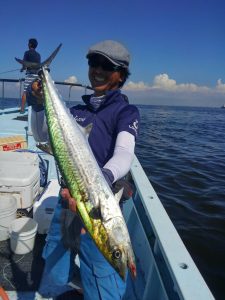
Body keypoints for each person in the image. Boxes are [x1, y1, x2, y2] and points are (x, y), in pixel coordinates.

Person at [29, 40, 140, 299]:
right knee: (55, 271)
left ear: (121, 74)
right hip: (67, 204)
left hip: (98, 203)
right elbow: (41, 134)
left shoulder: (125, 112)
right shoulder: (76, 111)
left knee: (104, 281)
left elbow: (124, 153)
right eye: (93, 63)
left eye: (106, 66)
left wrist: (101, 179)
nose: (97, 70)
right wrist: (37, 104)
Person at [20, 38, 41, 113]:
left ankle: (22, 109)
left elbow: (24, 64)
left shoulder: (27, 53)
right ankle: (36, 109)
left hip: (29, 75)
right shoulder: (38, 55)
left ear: (30, 44)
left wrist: (22, 69)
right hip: (36, 76)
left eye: (28, 43)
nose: (27, 44)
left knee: (25, 92)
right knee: (35, 92)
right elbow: (38, 66)